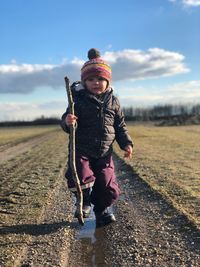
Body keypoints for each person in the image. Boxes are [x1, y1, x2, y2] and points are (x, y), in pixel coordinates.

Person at [61, 48, 133, 227]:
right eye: (90, 79)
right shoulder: (78, 100)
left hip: (104, 152)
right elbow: (67, 122)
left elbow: (120, 126)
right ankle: (84, 201)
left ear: (108, 81)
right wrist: (68, 121)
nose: (96, 82)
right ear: (84, 82)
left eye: (101, 79)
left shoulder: (114, 102)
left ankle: (102, 210)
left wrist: (126, 144)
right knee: (81, 174)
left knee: (107, 184)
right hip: (82, 149)